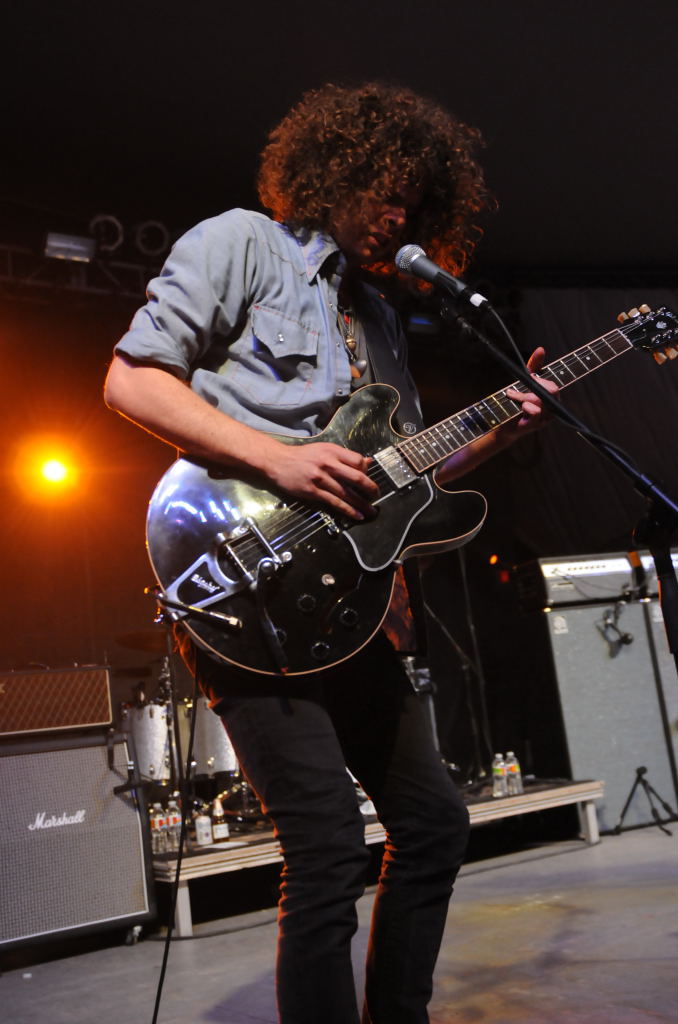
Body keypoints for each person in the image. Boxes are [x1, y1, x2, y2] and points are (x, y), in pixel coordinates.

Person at [105, 82, 555, 1024]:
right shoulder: (241, 243)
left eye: (415, 205)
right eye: (387, 191)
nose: (398, 217)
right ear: (335, 171)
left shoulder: (380, 319)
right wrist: (279, 459)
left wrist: (497, 436)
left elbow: (400, 476)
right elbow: (133, 382)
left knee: (433, 824)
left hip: (345, 606)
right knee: (325, 844)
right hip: (240, 576)